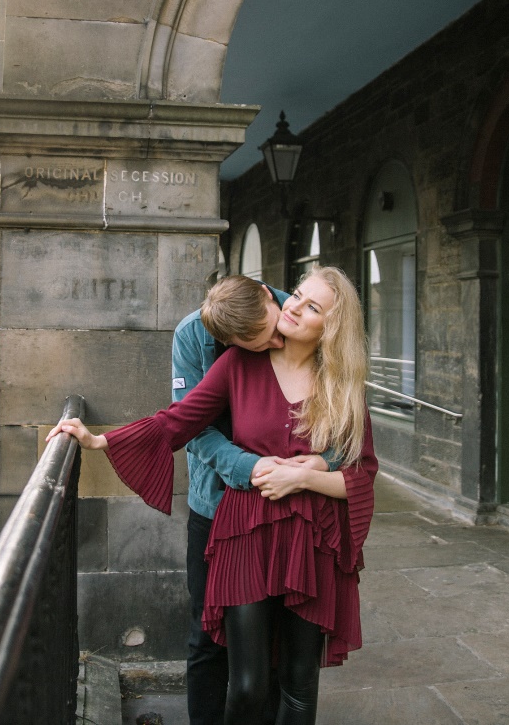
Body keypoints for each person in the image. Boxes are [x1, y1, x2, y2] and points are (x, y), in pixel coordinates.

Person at [50, 267, 377, 725]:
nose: (292, 311)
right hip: (242, 530)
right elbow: (182, 421)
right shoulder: (230, 359)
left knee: (298, 684)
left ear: (332, 325)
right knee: (245, 683)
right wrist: (101, 440)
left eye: (311, 306)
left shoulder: (337, 377)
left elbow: (359, 471)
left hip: (309, 539)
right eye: (298, 297)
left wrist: (307, 474)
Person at [172, 275, 321, 725]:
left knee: (280, 640)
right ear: (231, 343)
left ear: (265, 296)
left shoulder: (301, 315)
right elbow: (190, 423)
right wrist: (247, 468)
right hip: (216, 505)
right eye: (263, 343)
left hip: (287, 510)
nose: (279, 340)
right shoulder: (192, 335)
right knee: (207, 636)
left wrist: (314, 468)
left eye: (275, 329)